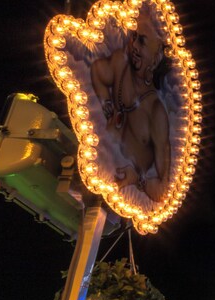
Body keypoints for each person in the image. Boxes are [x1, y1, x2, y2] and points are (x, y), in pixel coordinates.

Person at [90, 6, 171, 202]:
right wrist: (105, 101)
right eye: (134, 36)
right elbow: (97, 70)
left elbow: (163, 191)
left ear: (157, 56)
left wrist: (138, 181)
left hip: (120, 198)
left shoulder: (156, 112)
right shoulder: (120, 63)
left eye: (142, 41)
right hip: (90, 170)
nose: (134, 44)